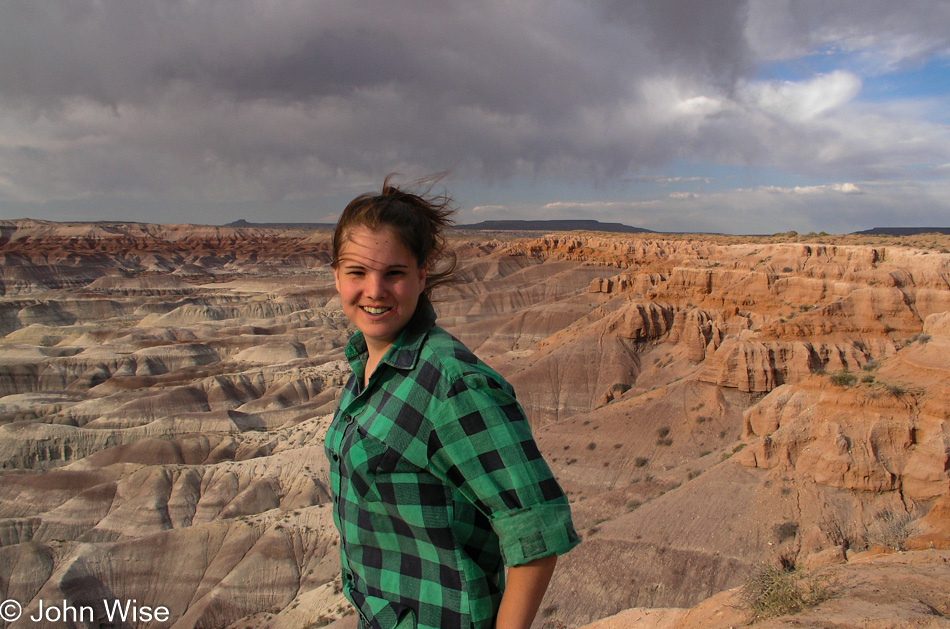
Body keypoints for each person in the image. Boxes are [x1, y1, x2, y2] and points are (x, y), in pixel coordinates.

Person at [324, 175, 579, 629]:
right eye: (357, 272)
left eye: (394, 273)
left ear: (422, 275)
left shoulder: (450, 385)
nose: (375, 290)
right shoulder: (366, 366)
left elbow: (536, 530)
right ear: (336, 277)